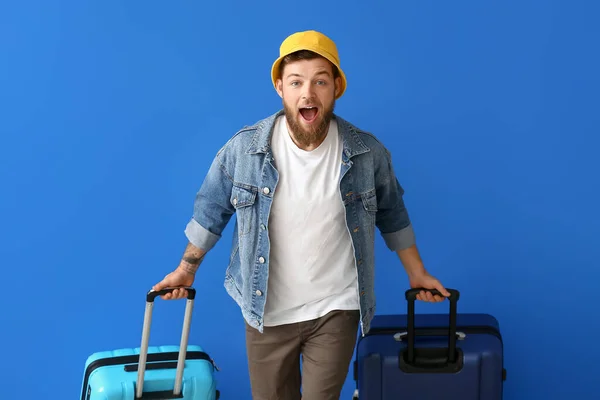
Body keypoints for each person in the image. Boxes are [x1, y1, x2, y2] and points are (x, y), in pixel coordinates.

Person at [152, 30, 450, 400]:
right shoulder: (244, 150)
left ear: (336, 88)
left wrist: (417, 273)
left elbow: (392, 213)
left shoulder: (367, 153)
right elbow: (211, 210)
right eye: (296, 82)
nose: (307, 93)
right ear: (280, 87)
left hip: (336, 309)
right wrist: (186, 269)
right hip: (266, 311)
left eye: (320, 81)